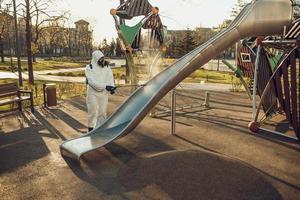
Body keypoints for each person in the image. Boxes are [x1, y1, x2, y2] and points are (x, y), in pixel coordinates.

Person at [85, 50, 116, 132]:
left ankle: (100, 128)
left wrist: (112, 87)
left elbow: (110, 77)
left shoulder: (106, 67)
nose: (102, 60)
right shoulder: (89, 68)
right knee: (93, 110)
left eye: (103, 58)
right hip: (92, 93)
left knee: (102, 111)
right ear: (95, 59)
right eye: (100, 58)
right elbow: (92, 83)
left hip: (104, 93)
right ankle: (91, 129)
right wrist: (105, 86)